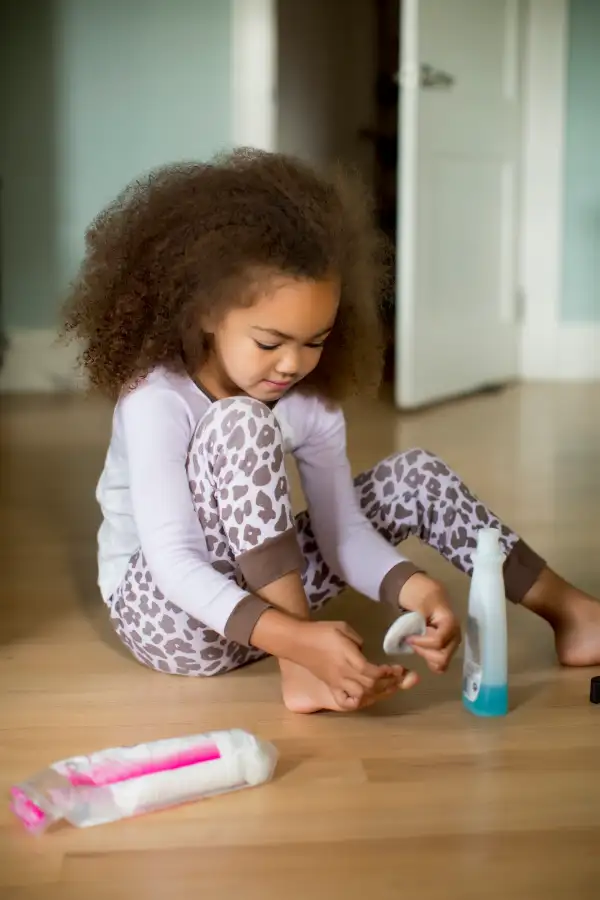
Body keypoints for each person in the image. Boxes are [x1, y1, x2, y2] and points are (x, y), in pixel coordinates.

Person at [62, 148, 600, 714]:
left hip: (255, 612)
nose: (293, 364)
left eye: (314, 341)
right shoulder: (156, 397)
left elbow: (341, 532)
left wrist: (418, 589)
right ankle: (300, 670)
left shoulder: (307, 399)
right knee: (241, 422)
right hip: (169, 617)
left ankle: (574, 613)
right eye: (270, 343)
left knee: (414, 477)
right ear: (202, 314)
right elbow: (175, 562)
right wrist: (299, 643)